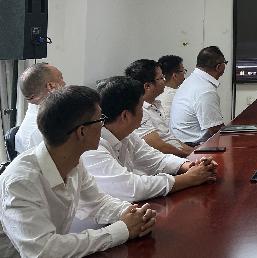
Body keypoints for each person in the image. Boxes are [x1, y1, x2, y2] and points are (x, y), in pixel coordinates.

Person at [0, 85, 156, 257]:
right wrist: (122, 229)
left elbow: (97, 202)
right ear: (82, 132)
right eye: (100, 119)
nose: (103, 125)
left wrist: (131, 213)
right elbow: (44, 251)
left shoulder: (73, 161)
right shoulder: (20, 182)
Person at [81, 76, 217, 203]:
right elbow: (131, 188)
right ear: (125, 116)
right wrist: (188, 178)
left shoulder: (127, 136)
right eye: (141, 107)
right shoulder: (93, 147)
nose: (144, 112)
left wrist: (189, 166)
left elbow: (157, 160)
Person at [125, 59, 194, 158]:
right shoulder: (140, 112)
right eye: (161, 78)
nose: (165, 81)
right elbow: (159, 147)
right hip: (167, 159)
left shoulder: (156, 104)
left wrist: (195, 151)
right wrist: (191, 154)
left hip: (178, 155)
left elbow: (171, 139)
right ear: (147, 86)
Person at [170, 46, 228, 145]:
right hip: (194, 146)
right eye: (225, 63)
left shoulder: (193, 79)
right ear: (218, 67)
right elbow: (215, 129)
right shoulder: (206, 90)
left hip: (182, 141)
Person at [14, 63, 66, 154]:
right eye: (60, 78)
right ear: (51, 86)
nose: (64, 83)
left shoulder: (44, 111)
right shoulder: (42, 130)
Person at [156, 54, 186, 122]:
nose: (184, 73)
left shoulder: (159, 91)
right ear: (175, 75)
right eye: (182, 70)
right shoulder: (174, 96)